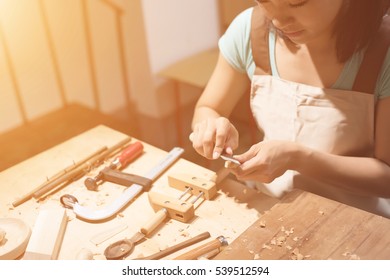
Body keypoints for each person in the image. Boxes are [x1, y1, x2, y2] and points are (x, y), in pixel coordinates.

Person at [190, 0, 390, 217]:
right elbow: (209, 107)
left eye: (296, 3)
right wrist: (211, 127)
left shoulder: (383, 52)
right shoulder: (249, 29)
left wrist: (298, 158)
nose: (278, 20)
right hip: (270, 210)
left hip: (360, 223)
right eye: (264, 1)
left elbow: (386, 178)